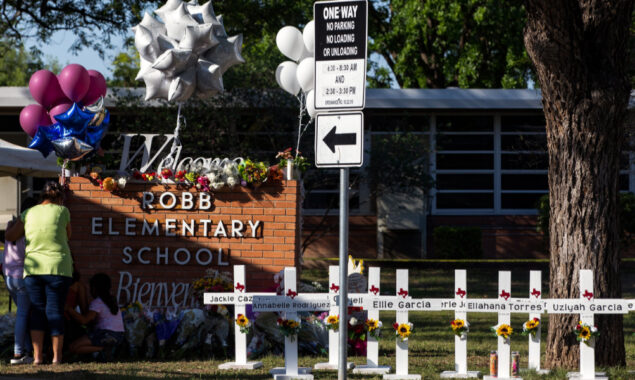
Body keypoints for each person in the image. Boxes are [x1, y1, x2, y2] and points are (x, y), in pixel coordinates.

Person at [5, 181, 73, 365]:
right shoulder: (63, 211)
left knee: (37, 311)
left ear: (41, 196)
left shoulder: (28, 213)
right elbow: (68, 235)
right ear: (59, 197)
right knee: (55, 311)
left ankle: (36, 358)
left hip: (33, 269)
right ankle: (56, 358)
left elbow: (11, 236)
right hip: (59, 267)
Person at [3, 197, 38, 364]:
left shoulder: (11, 227)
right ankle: (19, 352)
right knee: (24, 315)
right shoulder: (27, 231)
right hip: (22, 277)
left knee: (22, 315)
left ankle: (26, 350)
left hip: (9, 276)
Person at [68, 273, 124, 360]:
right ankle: (108, 350)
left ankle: (104, 349)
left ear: (94, 288)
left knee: (73, 347)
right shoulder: (112, 300)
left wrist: (69, 309)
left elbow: (84, 321)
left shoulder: (97, 302)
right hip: (119, 336)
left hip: (105, 334)